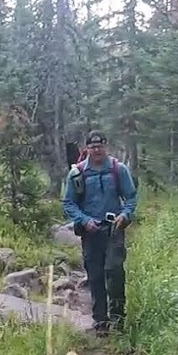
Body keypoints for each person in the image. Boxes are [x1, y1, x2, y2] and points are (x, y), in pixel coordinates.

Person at [62, 131, 137, 335]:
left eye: (100, 146)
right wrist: (84, 221)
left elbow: (130, 197)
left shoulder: (118, 170)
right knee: (95, 276)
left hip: (114, 230)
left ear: (106, 147)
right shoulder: (77, 173)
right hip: (90, 232)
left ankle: (118, 319)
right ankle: (100, 321)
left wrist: (126, 214)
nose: (97, 150)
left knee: (114, 272)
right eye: (93, 147)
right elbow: (68, 203)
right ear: (87, 148)